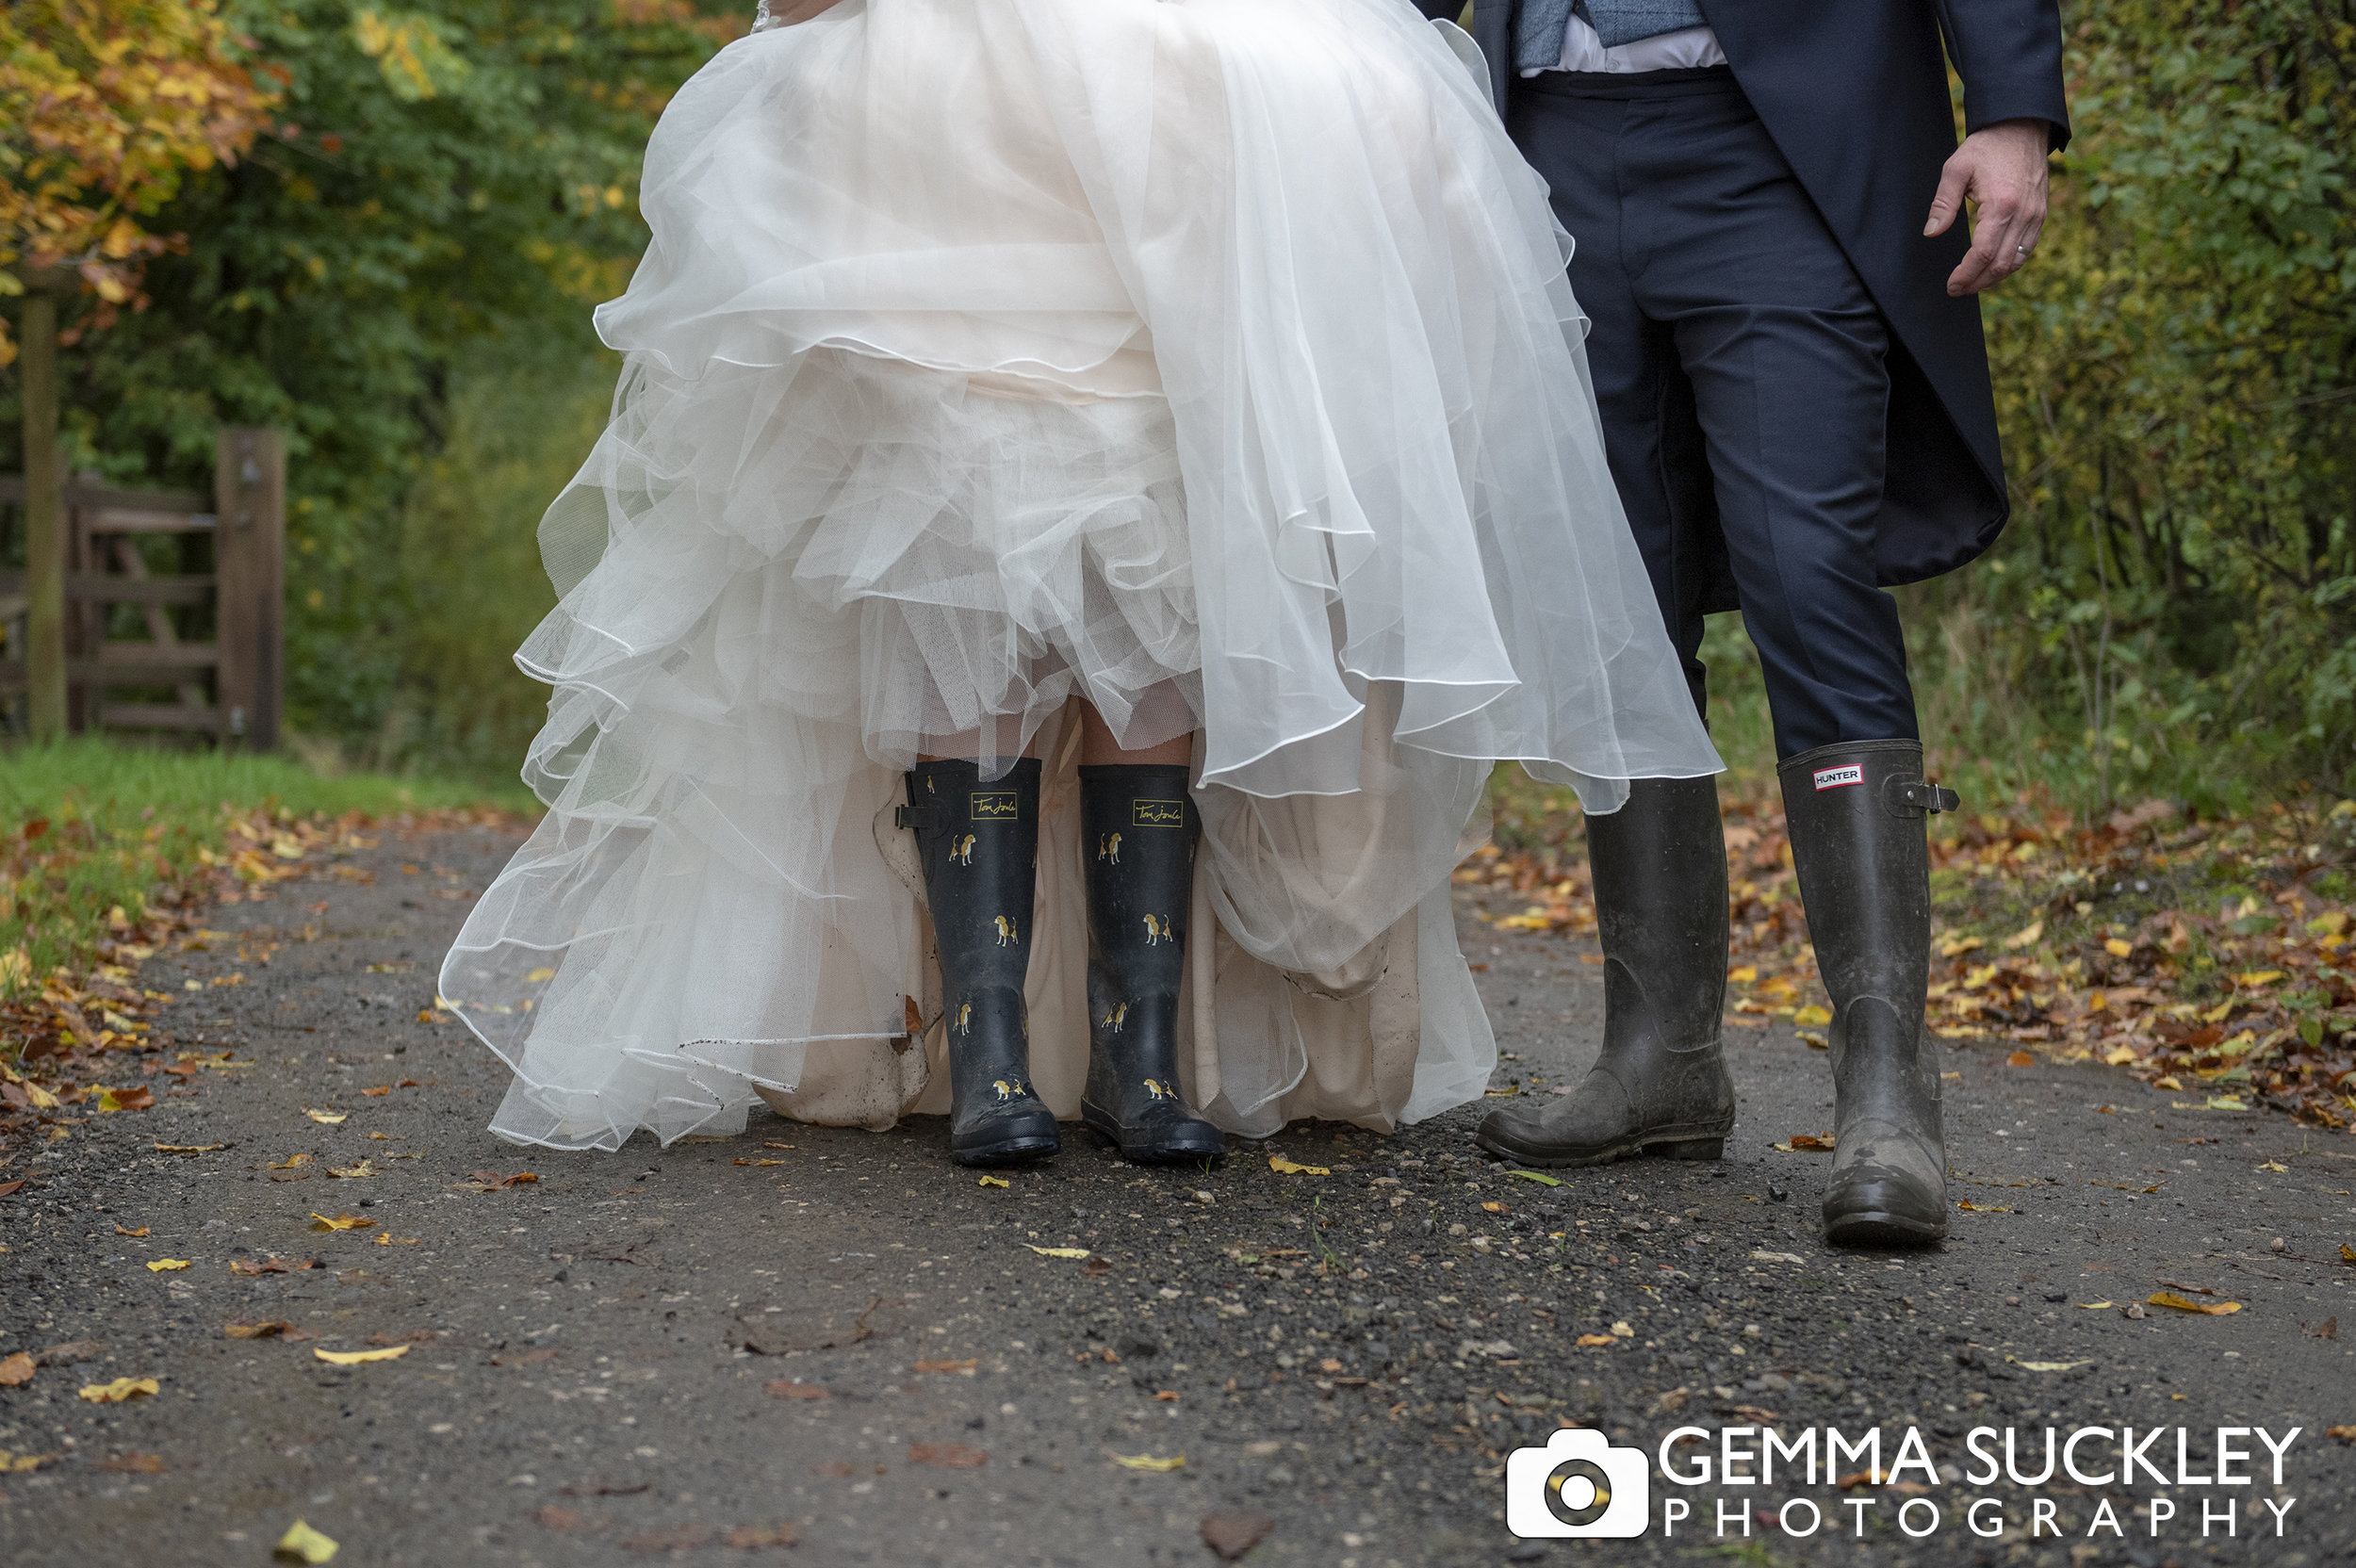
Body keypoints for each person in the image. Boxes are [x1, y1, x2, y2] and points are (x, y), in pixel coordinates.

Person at [437, 0, 1723, 1168]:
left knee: (1153, 545)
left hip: (1172, 103)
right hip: (971, 111)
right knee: (963, 543)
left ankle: (1139, 1046)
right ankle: (989, 1045)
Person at [1453, 0, 2070, 1244]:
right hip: (1542, 155)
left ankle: (1890, 1097)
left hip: (1782, 146)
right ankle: (1659, 1057)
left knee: (1811, 583)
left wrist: (2012, 107)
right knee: (1613, 601)